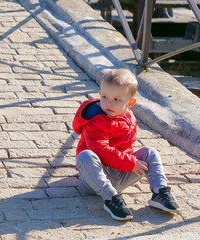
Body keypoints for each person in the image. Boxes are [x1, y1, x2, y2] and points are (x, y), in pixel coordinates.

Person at [72, 69, 179, 221]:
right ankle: (111, 198)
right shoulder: (96, 119)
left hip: (121, 171)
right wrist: (130, 163)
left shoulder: (128, 116)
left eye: (116, 99)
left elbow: (127, 147)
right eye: (104, 96)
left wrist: (130, 163)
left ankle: (159, 191)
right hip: (95, 179)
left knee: (150, 152)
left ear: (130, 103)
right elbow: (100, 150)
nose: (108, 102)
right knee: (85, 156)